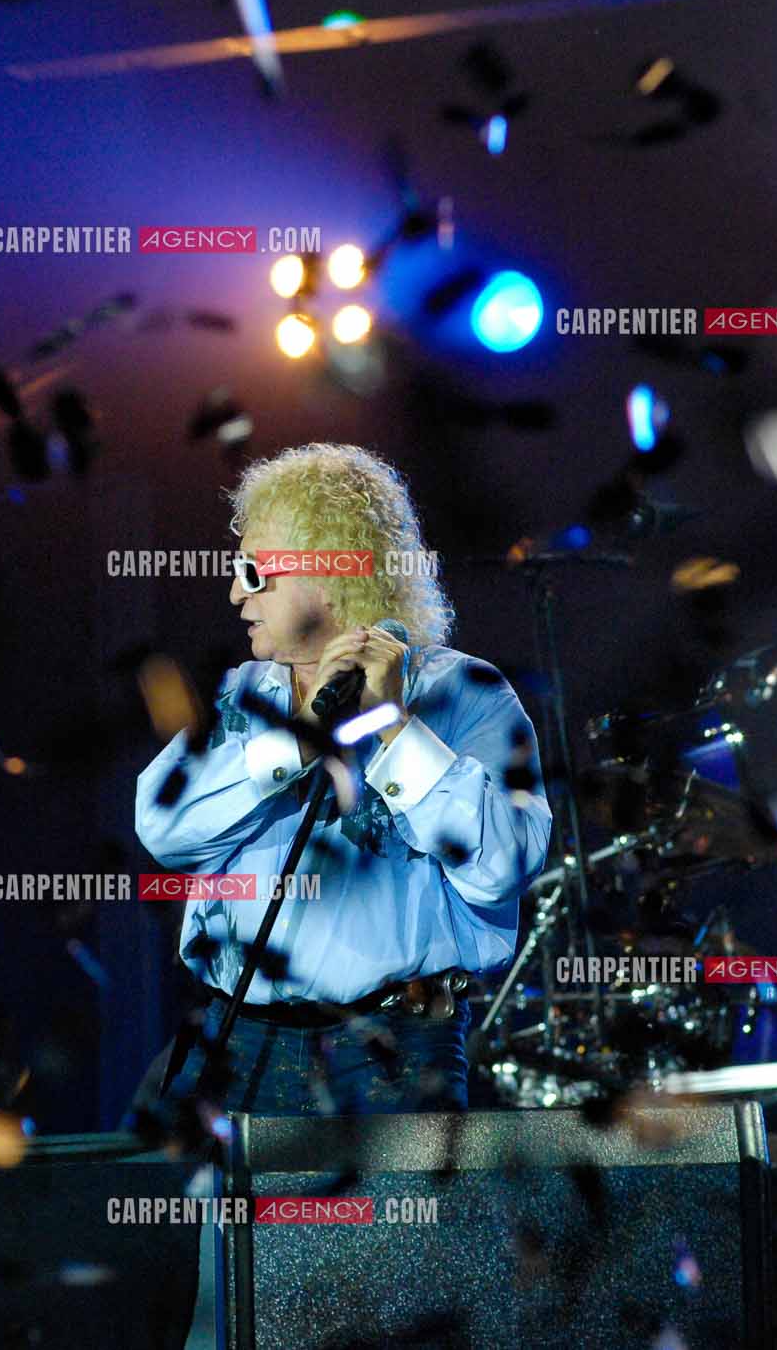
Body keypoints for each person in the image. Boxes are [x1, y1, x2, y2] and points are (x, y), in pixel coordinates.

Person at [134, 443, 552, 1121]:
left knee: (396, 1203)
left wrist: (395, 730)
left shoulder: (466, 692)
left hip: (394, 1051)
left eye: (253, 571)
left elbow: (501, 866)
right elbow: (162, 826)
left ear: (327, 574)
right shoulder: (239, 694)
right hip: (242, 1044)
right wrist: (296, 739)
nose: (236, 592)